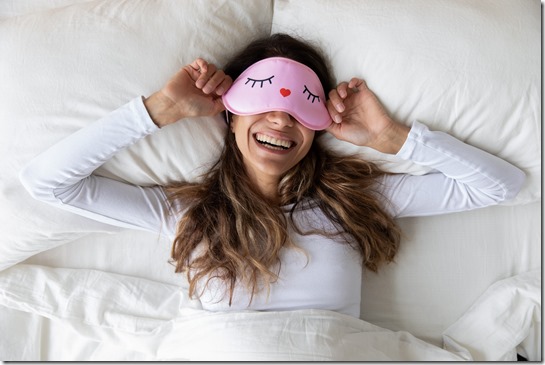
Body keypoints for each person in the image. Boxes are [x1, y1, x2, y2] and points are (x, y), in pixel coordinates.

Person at [19, 34, 525, 318]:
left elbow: (501, 186)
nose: (282, 118)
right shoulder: (185, 214)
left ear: (320, 126)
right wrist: (160, 109)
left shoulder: (352, 202)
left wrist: (392, 138)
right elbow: (47, 182)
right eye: (262, 99)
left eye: (302, 105)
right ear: (230, 115)